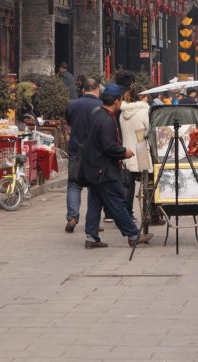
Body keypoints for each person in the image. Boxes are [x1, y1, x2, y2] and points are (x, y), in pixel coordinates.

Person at [79, 83, 153, 248]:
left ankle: (91, 237)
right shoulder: (106, 119)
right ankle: (133, 234)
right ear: (117, 101)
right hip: (103, 168)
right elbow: (108, 146)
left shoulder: (99, 114)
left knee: (95, 201)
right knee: (117, 201)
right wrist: (123, 152)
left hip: (94, 166)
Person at [64, 77, 102, 233]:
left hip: (76, 151)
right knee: (94, 187)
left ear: (83, 90)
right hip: (95, 153)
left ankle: (72, 218)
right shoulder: (100, 106)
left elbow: (69, 125)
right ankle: (93, 222)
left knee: (74, 185)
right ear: (97, 90)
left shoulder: (72, 105)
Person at [119, 84, 151, 221]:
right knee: (149, 183)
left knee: (128, 184)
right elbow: (151, 130)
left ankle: (126, 213)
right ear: (143, 96)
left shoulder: (123, 113)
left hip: (127, 151)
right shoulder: (145, 112)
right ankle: (150, 213)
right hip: (142, 151)